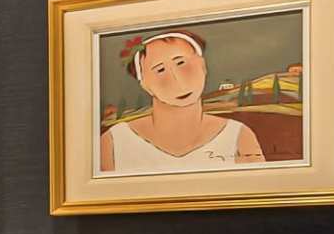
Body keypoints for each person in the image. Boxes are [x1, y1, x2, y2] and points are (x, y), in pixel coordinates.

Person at [99, 28, 262, 170]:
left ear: (202, 65)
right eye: (160, 70)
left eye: (181, 63)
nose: (178, 81)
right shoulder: (114, 142)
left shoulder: (238, 135)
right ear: (144, 84)